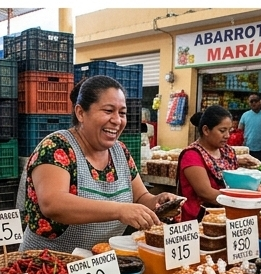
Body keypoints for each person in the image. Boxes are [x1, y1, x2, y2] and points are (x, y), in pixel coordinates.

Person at [18, 76, 178, 251]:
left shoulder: (120, 152)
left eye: (122, 113)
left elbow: (140, 198)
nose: (117, 120)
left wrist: (159, 201)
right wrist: (119, 210)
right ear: (80, 113)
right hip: (49, 266)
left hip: (98, 265)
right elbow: (53, 204)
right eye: (108, 111)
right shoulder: (57, 147)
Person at [178, 106, 261, 221]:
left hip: (229, 216)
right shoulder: (192, 155)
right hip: (199, 221)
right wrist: (242, 200)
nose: (227, 135)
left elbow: (234, 184)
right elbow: (206, 193)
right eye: (222, 131)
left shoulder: (227, 151)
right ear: (206, 130)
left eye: (229, 130)